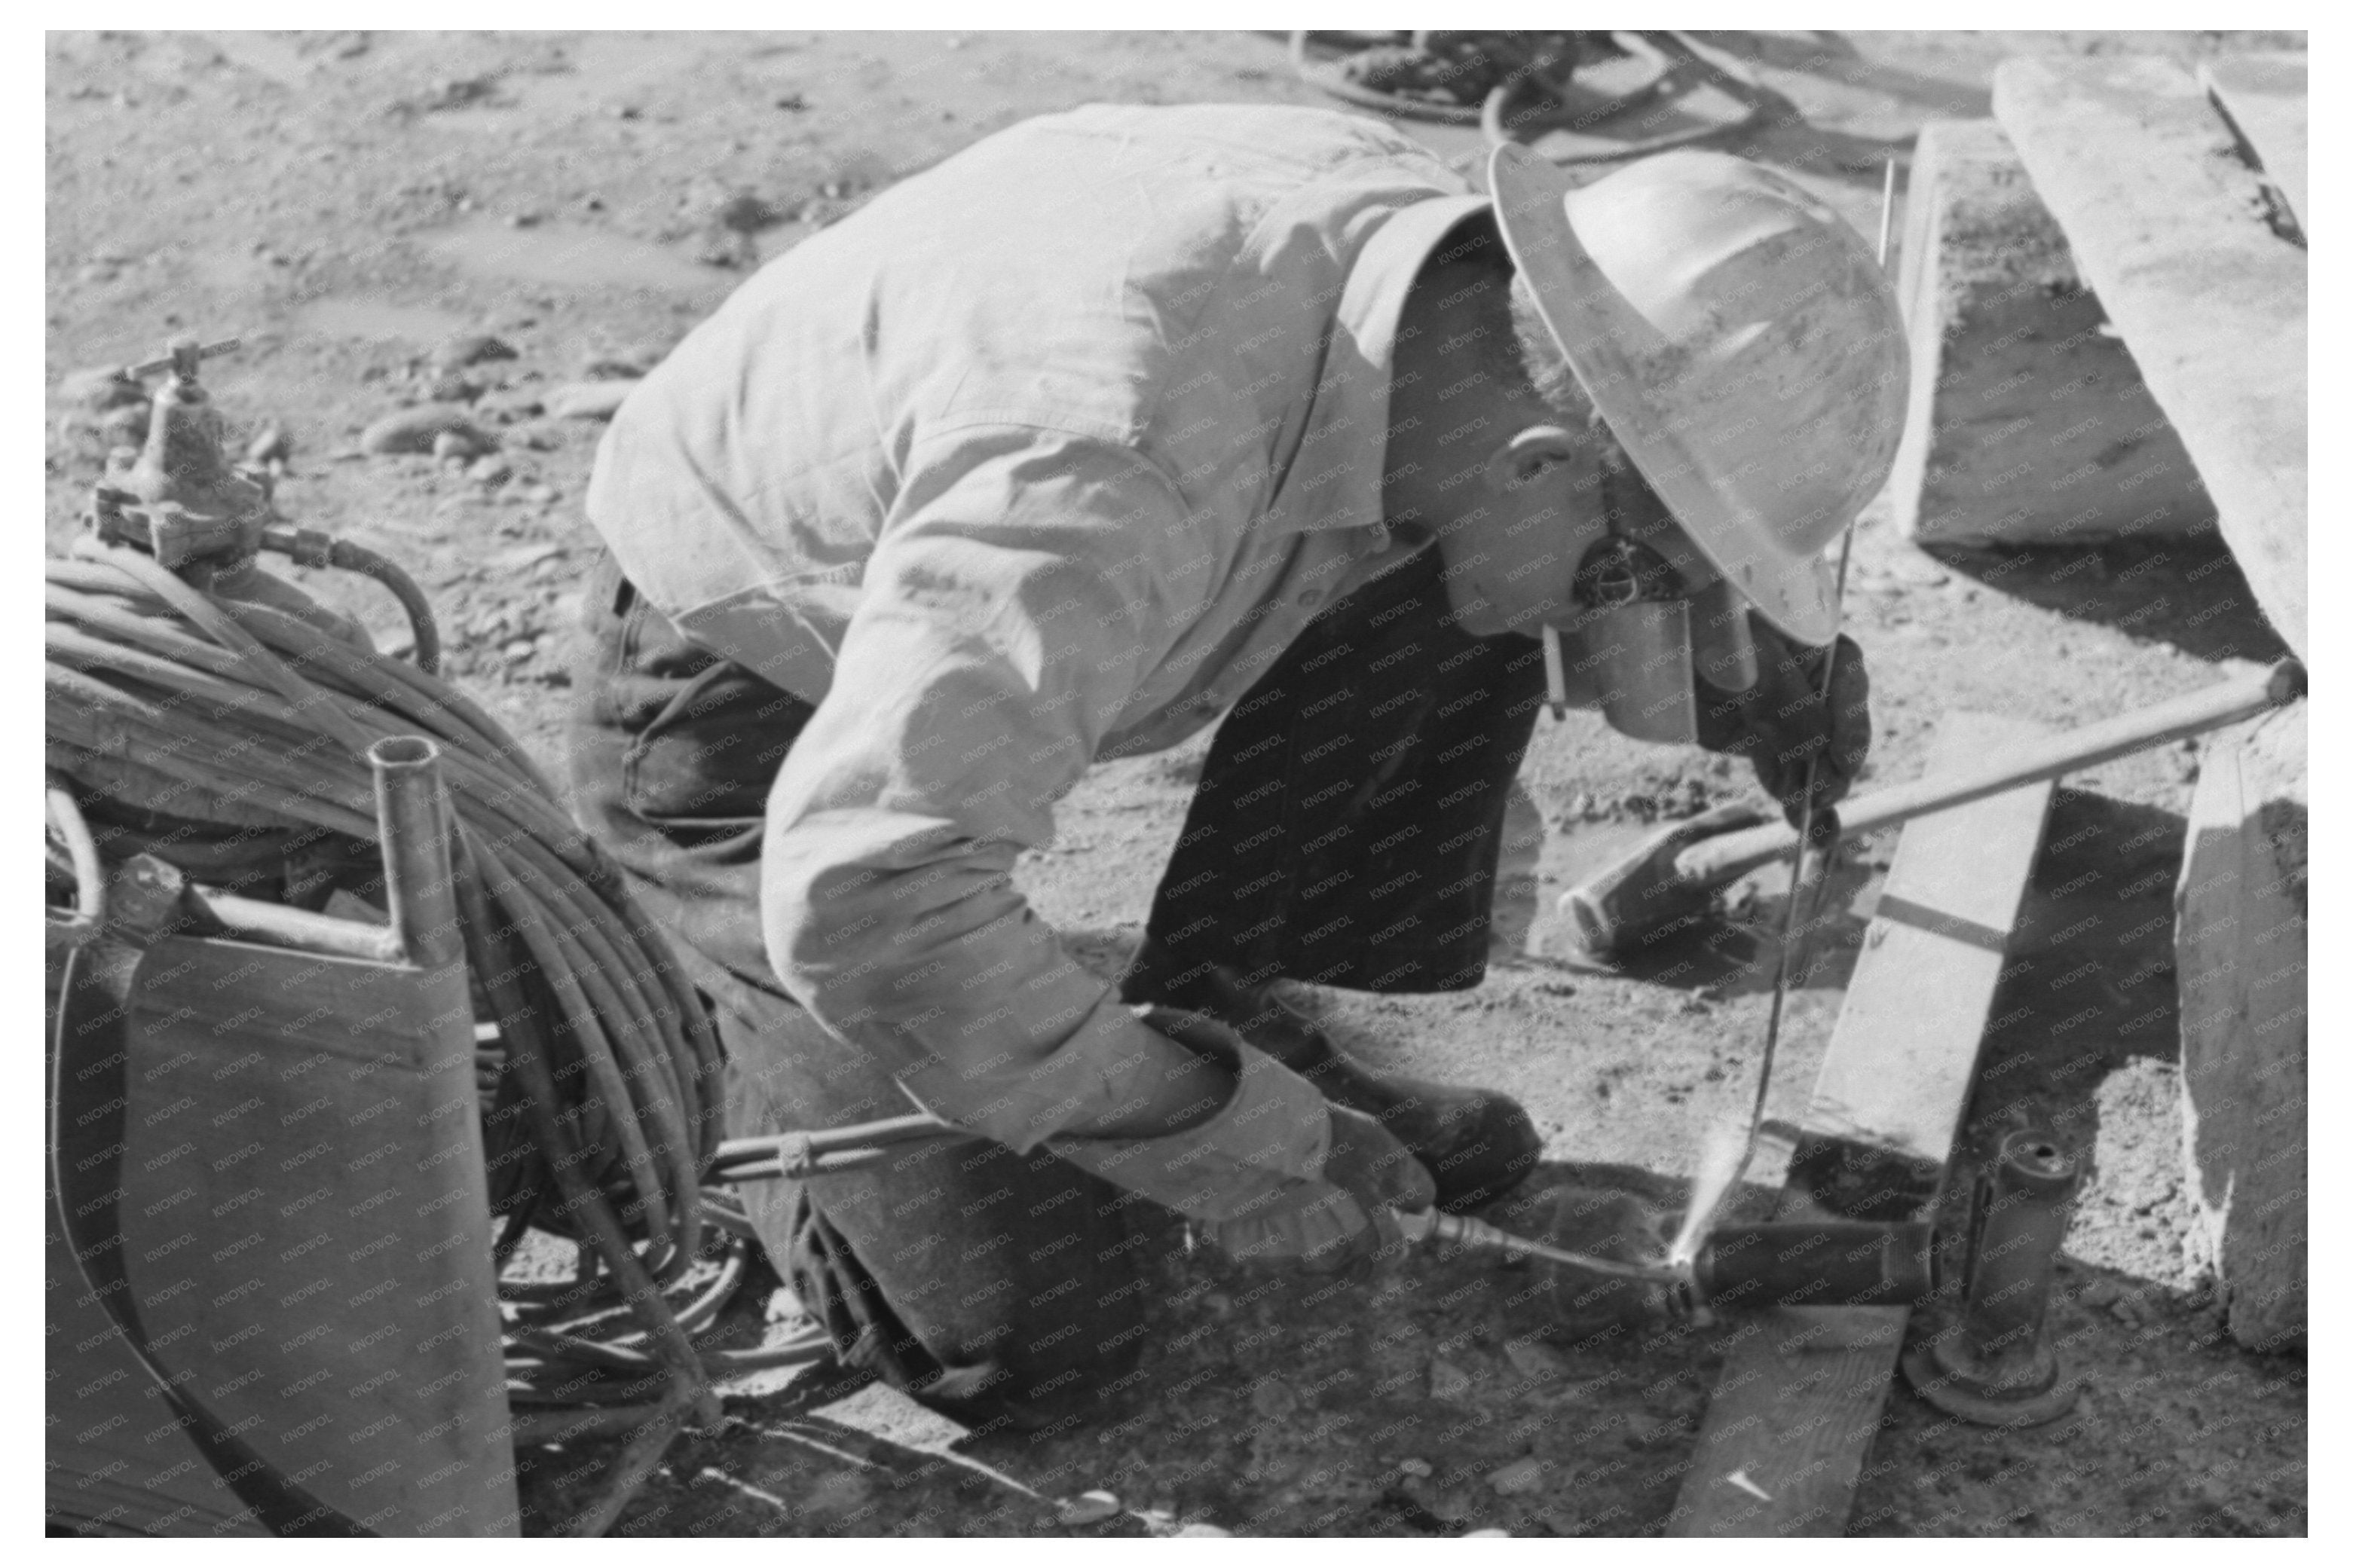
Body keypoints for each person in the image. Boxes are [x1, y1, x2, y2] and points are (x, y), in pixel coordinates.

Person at [565, 102, 1902, 1426]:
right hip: (745, 704)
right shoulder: (1107, 468)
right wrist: (1216, 1134)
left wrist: (1747, 662)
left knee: (1482, 571)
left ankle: (1218, 1002)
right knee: (1030, 1340)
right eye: (1640, 582)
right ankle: (680, 1027)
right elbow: (873, 898)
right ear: (1546, 454)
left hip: (1012, 584)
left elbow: (1570, 529)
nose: (1615, 617)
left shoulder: (1458, 305)